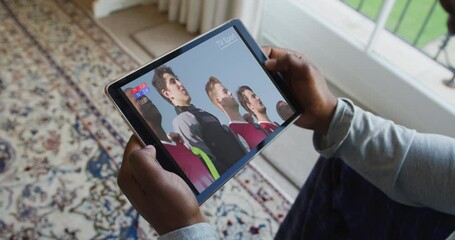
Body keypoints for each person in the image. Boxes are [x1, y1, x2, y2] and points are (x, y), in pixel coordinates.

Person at [117, 0, 455, 237]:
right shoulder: (188, 121)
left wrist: (185, 228)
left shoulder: (206, 117)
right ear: (166, 95)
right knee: (343, 163)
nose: (446, 15)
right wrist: (333, 117)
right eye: (172, 83)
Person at [151, 66, 247, 175]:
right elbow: (207, 163)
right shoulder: (182, 120)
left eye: (178, 79)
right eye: (173, 82)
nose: (180, 84)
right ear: (167, 94)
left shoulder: (202, 113)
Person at [137, 95, 216, 192]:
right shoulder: (156, 159)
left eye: (145, 97)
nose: (146, 100)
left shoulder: (180, 142)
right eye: (138, 99)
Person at [205, 76, 268, 150]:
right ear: (219, 101)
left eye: (228, 90)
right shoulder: (233, 135)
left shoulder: (255, 125)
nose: (230, 93)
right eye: (225, 92)